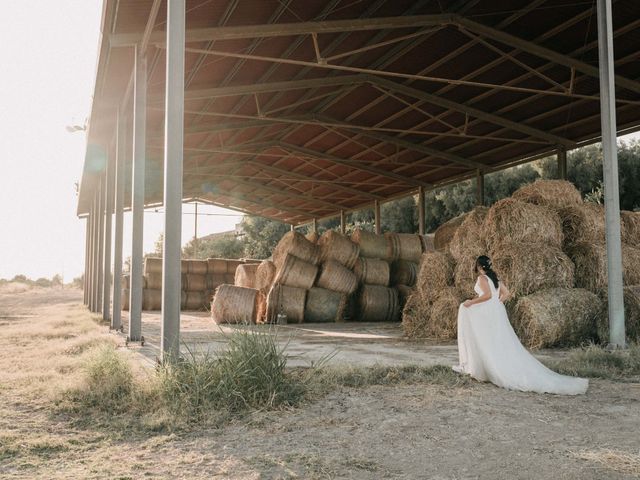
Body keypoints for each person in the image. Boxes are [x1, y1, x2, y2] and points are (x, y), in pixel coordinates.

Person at [453, 255, 588, 395]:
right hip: (497, 311)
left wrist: (471, 302)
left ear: (480, 267)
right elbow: (506, 294)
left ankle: (485, 367)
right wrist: (497, 304)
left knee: (486, 337)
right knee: (498, 338)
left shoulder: (482, 278)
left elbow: (487, 295)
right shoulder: (495, 279)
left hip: (487, 311)